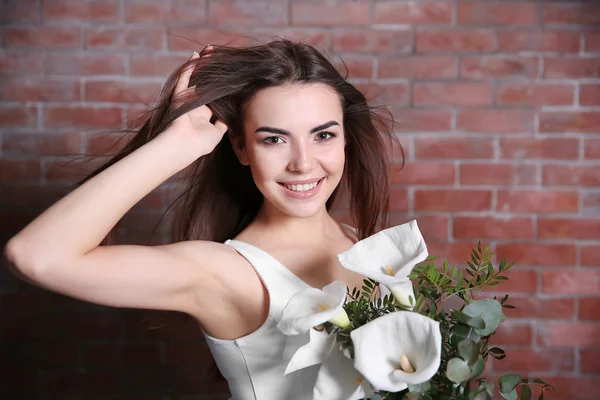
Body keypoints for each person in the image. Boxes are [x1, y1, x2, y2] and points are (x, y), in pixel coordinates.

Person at [4, 40, 407, 399]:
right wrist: (178, 144)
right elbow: (35, 256)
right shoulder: (223, 274)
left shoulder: (363, 244)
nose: (303, 163)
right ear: (242, 148)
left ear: (346, 139)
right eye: (274, 139)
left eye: (323, 135)